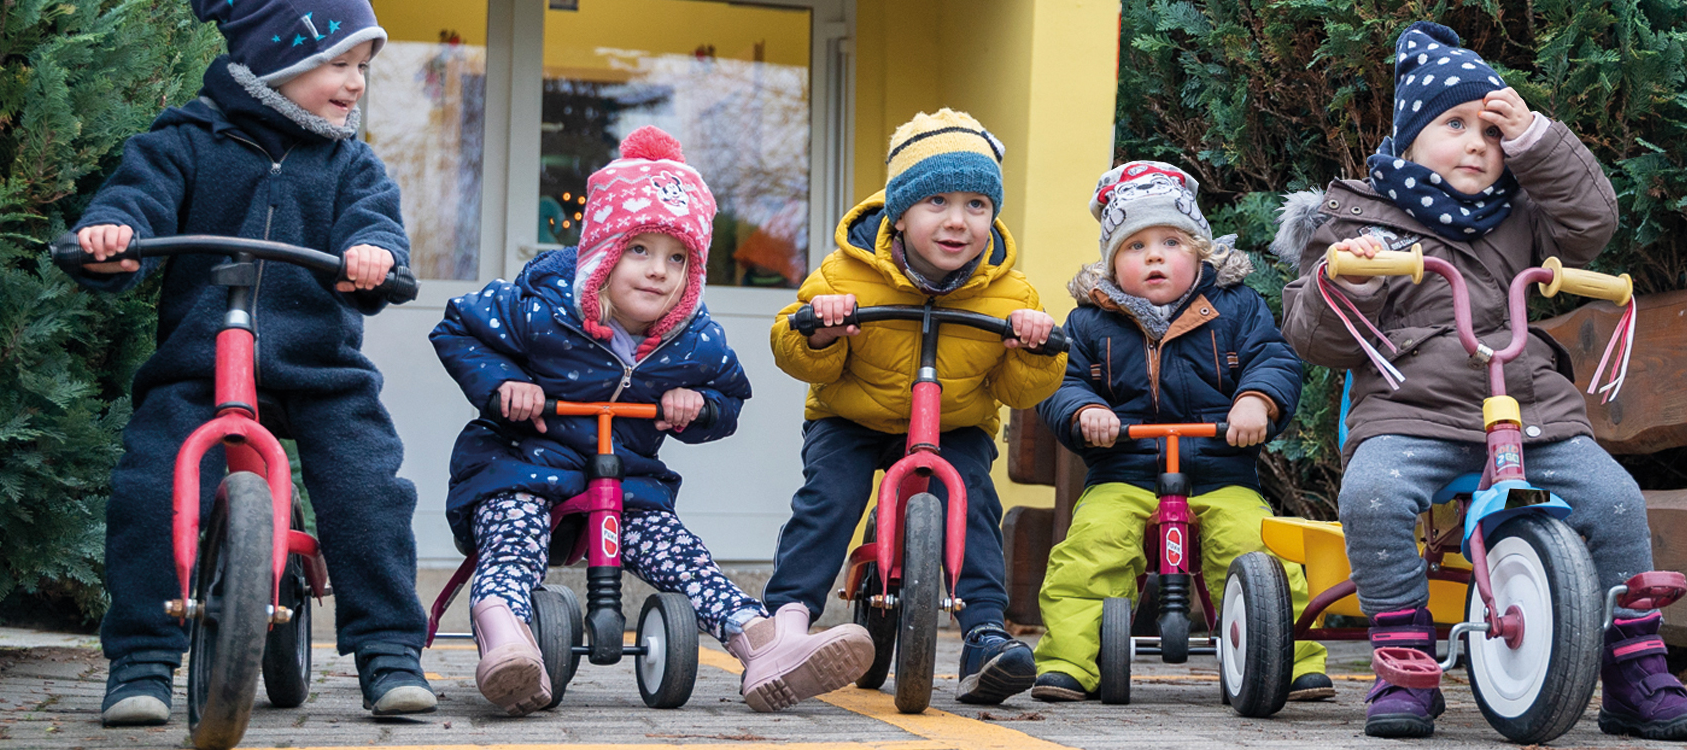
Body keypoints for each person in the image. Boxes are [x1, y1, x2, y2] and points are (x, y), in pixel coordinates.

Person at [1274, 21, 1687, 741]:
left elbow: (1593, 222)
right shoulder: (1359, 221)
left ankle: (1636, 669)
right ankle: (1403, 659)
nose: (1478, 144)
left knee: (1613, 499)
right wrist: (1348, 278)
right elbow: (1311, 333)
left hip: (1528, 411)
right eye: (1454, 125)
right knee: (1374, 493)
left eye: (1491, 130)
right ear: (1408, 138)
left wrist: (1538, 137)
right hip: (1411, 413)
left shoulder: (1522, 218)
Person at [68, 0, 435, 724]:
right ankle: (141, 659)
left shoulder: (349, 162)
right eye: (338, 62)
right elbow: (138, 199)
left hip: (319, 370)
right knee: (151, 484)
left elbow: (374, 223)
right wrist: (114, 235)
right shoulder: (185, 141)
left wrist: (373, 256)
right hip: (198, 369)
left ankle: (389, 651)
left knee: (368, 485)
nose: (356, 83)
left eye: (363, 68)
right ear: (277, 59)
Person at [431, 127, 872, 715]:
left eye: (677, 258)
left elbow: (729, 397)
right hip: (522, 465)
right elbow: (457, 326)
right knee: (513, 539)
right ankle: (508, 641)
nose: (658, 271)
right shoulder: (542, 308)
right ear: (603, 253)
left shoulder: (693, 338)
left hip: (627, 482)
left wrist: (699, 407)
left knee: (684, 556)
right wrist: (503, 386)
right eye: (639, 249)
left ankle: (765, 646)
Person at [763, 109, 1067, 705]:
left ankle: (984, 633)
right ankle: (785, 621)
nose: (958, 222)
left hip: (951, 425)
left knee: (972, 496)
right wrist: (821, 331)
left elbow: (1020, 392)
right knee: (830, 498)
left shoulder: (1011, 292)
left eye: (977, 205)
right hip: (852, 418)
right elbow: (793, 350)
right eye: (937, 204)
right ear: (899, 212)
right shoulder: (844, 271)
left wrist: (1033, 346)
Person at [1026, 161, 1332, 703]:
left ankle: (1294, 658)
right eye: (1133, 246)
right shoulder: (1090, 322)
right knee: (1091, 547)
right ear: (1112, 262)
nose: (1153, 256)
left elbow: (1273, 359)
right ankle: (1070, 661)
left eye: (1170, 240)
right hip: (1125, 471)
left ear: (1201, 251)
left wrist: (1255, 401)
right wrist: (1085, 413)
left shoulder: (1236, 307)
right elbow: (1061, 381)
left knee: (1256, 543)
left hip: (1219, 470)